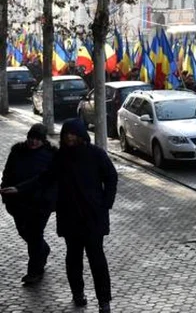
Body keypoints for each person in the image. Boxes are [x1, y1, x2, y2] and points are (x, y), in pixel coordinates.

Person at [1, 119, 117, 313]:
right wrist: (19, 189)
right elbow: (44, 179)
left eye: (73, 134)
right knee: (73, 258)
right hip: (69, 216)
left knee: (97, 260)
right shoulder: (61, 157)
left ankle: (104, 300)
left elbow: (111, 178)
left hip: (92, 217)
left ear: (81, 135)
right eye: (66, 134)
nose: (70, 137)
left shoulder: (96, 154)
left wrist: (106, 204)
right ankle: (77, 293)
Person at [0, 124, 57, 285]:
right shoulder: (17, 151)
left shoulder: (51, 155)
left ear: (43, 140)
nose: (33, 142)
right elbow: (8, 172)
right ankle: (43, 251)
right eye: (31, 138)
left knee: (34, 236)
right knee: (25, 233)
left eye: (37, 139)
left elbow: (49, 180)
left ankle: (34, 271)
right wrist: (4, 189)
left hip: (40, 204)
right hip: (17, 202)